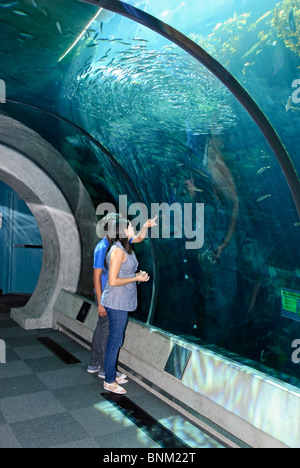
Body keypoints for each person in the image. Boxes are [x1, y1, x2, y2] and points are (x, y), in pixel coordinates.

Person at [87, 213, 156, 384]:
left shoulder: (120, 244)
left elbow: (138, 238)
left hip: (115, 295)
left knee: (109, 331)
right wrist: (100, 302)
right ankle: (104, 369)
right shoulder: (104, 247)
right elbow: (97, 277)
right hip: (109, 295)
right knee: (108, 332)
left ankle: (99, 365)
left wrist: (146, 226)